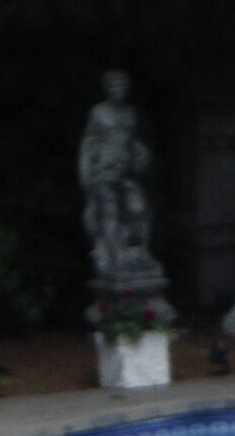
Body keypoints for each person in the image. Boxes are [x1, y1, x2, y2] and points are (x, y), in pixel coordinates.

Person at [79, 70, 157, 284]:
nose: (118, 90)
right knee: (110, 213)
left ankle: (140, 251)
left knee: (138, 209)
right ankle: (114, 258)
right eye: (113, 86)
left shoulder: (131, 114)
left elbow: (134, 142)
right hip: (105, 169)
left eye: (121, 86)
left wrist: (142, 154)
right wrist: (85, 171)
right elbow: (89, 143)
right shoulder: (98, 113)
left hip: (127, 171)